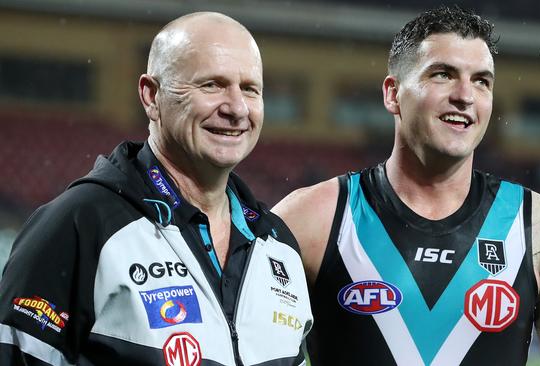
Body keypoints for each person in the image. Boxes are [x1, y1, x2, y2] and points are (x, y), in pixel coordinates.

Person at [273, 5, 540, 366]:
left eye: (482, 81)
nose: (465, 95)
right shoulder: (311, 219)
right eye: (443, 75)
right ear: (392, 94)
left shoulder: (536, 226)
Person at [0, 12, 312, 366]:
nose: (236, 108)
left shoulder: (279, 246)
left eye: (250, 89)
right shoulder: (79, 225)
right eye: (211, 85)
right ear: (151, 96)